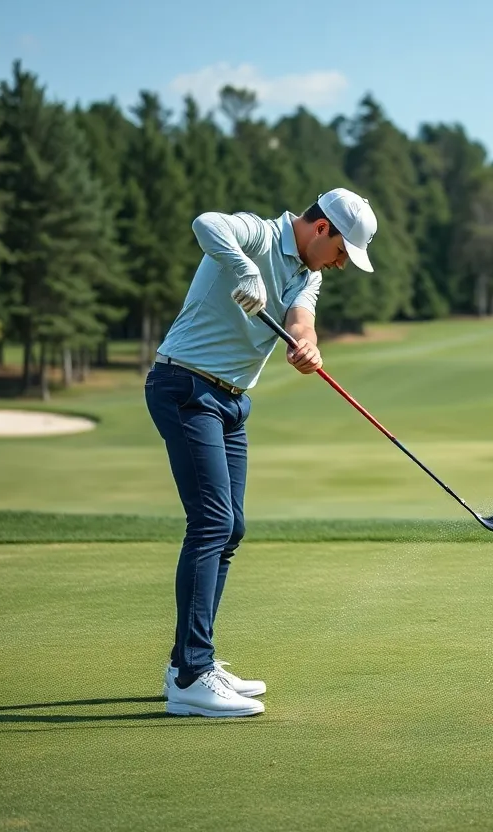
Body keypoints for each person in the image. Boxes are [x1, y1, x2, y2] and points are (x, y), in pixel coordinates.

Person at [145, 188, 378, 718]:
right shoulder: (259, 232)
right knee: (210, 522)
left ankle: (190, 656)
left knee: (231, 528)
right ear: (322, 229)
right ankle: (190, 676)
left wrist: (307, 345)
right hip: (185, 386)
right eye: (343, 250)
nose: (342, 264)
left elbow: (301, 319)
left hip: (230, 402)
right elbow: (206, 221)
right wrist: (245, 271)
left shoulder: (308, 272)